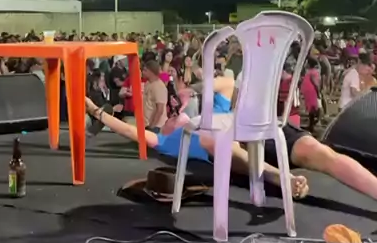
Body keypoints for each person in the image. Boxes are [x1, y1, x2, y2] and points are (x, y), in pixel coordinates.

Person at [86, 69, 377, 203]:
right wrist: (96, 111)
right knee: (211, 137)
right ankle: (279, 177)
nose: (173, 115)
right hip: (233, 149)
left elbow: (226, 83)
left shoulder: (216, 110)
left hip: (257, 129)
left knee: (321, 153)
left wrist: (191, 90)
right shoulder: (166, 141)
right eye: (169, 118)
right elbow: (129, 131)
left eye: (174, 113)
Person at [142, 60, 168, 132]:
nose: (142, 72)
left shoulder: (159, 86)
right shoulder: (148, 83)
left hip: (156, 126)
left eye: (145, 70)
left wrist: (152, 127)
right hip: (146, 124)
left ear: (152, 72)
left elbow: (160, 110)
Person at [300, 57, 321, 134]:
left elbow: (315, 83)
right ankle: (311, 125)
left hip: (310, 92)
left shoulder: (312, 72)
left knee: (312, 108)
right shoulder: (312, 72)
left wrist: (318, 92)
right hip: (310, 92)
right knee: (311, 108)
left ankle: (312, 125)